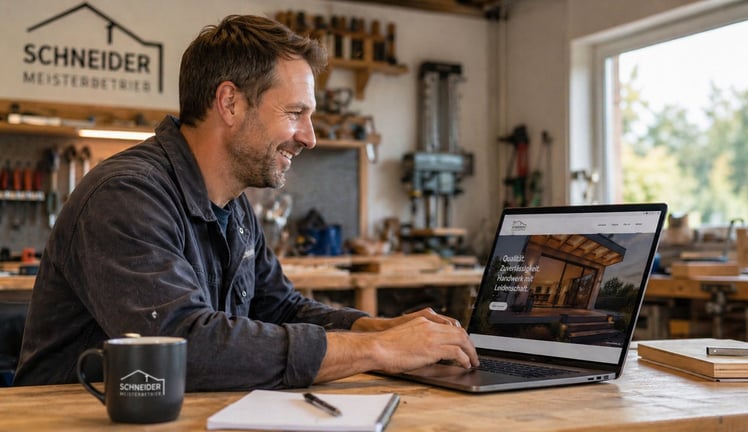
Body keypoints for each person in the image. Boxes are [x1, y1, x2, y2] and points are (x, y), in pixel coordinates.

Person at [14, 15, 478, 391]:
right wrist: (379, 353)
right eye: (295, 113)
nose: (310, 138)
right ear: (230, 103)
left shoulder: (232, 206)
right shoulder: (125, 197)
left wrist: (380, 329)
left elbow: (280, 308)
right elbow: (184, 348)